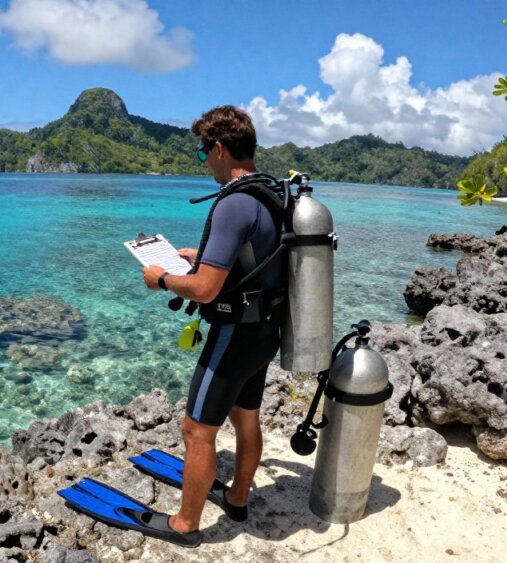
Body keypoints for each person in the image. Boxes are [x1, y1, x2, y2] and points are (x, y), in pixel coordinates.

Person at [141, 106, 284, 535]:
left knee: (196, 430)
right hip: (266, 331)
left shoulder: (234, 203)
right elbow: (256, 259)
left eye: (203, 153)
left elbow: (205, 289)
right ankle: (237, 498)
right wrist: (198, 257)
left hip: (233, 334)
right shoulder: (273, 193)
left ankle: (186, 523)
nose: (204, 164)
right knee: (247, 419)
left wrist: (163, 277)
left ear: (219, 148)